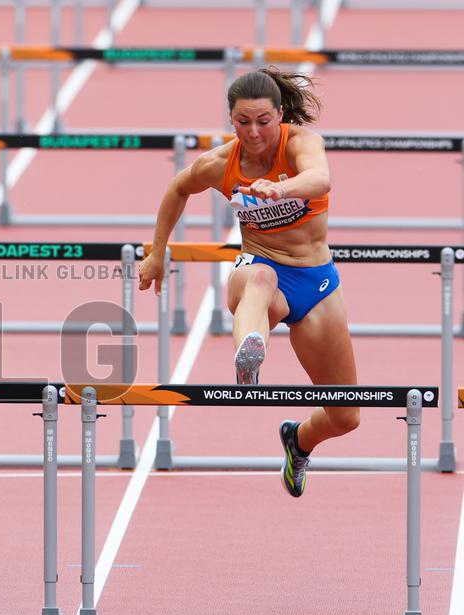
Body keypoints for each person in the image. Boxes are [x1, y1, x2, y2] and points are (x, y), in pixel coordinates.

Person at [138, 67, 358, 498]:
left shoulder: (301, 144)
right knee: (260, 278)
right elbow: (178, 188)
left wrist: (282, 189)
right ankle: (248, 358)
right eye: (243, 122)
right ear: (231, 120)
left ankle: (298, 440)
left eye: (263, 121)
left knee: (345, 416)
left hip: (315, 282)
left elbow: (321, 178)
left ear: (280, 116)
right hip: (259, 267)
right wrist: (157, 252)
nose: (254, 132)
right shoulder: (221, 164)